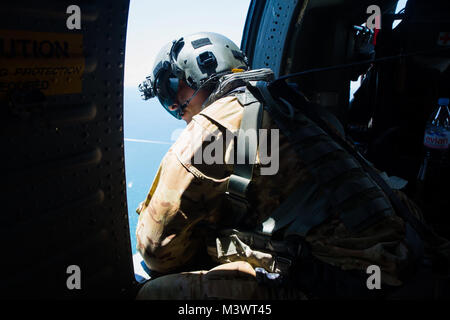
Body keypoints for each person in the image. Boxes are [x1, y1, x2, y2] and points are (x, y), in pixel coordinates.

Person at [135, 32, 448, 299]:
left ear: (197, 72)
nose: (176, 108)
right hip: (410, 251)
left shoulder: (208, 130)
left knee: (152, 293)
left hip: (342, 282)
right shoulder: (294, 104)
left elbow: (157, 252)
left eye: (173, 92)